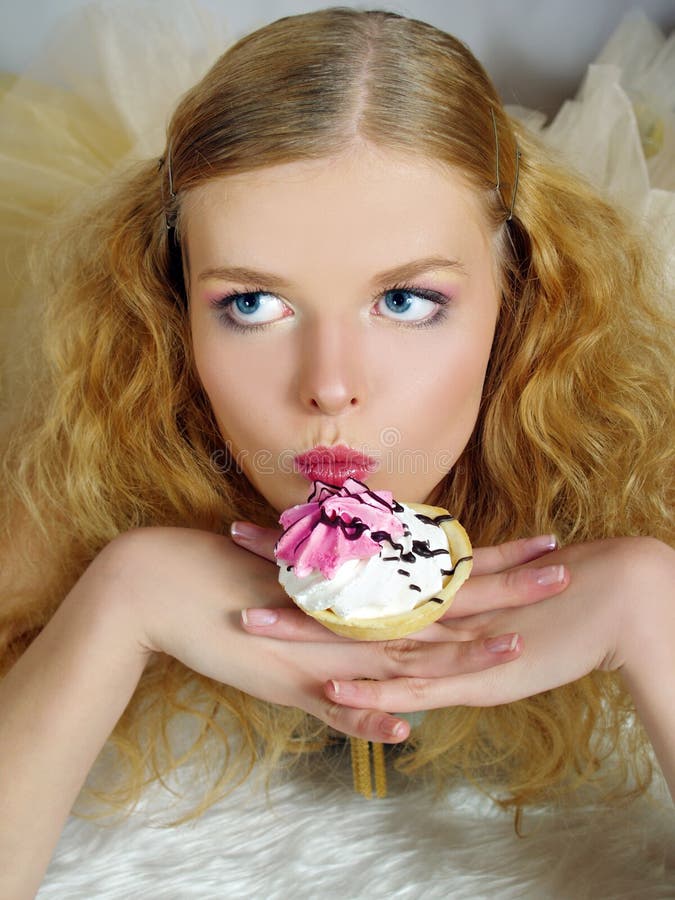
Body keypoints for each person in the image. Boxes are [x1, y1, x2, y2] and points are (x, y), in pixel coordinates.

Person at [0, 7, 673, 896]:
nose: (328, 386)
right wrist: (120, 597)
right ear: (173, 309)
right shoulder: (91, 459)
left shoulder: (633, 451)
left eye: (403, 301)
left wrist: (650, 609)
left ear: (520, 296)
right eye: (250, 304)